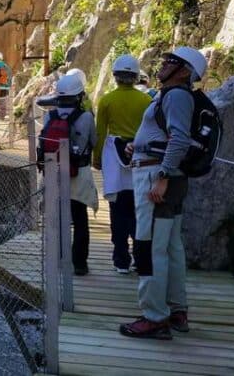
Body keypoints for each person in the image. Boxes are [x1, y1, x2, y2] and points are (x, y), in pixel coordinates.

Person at [120, 46, 207, 340]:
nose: (163, 63)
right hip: (161, 171)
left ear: (184, 71)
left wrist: (163, 176)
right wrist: (138, 145)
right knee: (170, 247)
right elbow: (167, 136)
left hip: (157, 177)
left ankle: (154, 317)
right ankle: (176, 309)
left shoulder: (177, 96)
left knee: (148, 247)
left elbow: (179, 139)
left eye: (171, 61)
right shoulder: (172, 96)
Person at [93, 54, 152, 274]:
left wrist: (96, 158)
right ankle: (139, 257)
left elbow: (100, 132)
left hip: (114, 158)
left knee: (117, 210)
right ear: (136, 76)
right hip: (139, 157)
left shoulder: (107, 101)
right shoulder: (147, 101)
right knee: (138, 210)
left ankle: (120, 260)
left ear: (115, 76)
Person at [41, 73, 97, 276]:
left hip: (54, 172)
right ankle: (80, 263)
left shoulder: (49, 116)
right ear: (79, 96)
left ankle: (59, 258)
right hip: (78, 172)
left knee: (58, 217)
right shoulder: (87, 117)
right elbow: (93, 141)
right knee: (80, 218)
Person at [0, 52, 12, 120]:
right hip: (5, 88)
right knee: (3, 101)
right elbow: (9, 76)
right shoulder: (5, 66)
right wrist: (8, 87)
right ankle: (2, 117)